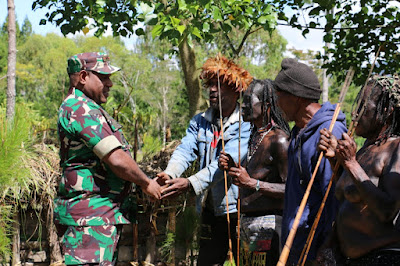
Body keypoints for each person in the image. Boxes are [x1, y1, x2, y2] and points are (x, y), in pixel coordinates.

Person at [56, 52, 162, 265]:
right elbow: (116, 159)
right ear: (84, 77)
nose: (110, 84)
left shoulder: (84, 107)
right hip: (90, 220)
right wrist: (147, 183)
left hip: (97, 218)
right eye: (103, 77)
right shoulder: (80, 109)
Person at [157, 54, 252, 265]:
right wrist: (170, 173)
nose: (212, 90)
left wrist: (190, 183)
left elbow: (224, 165)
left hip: (239, 210)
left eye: (219, 85)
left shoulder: (246, 123)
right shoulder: (200, 121)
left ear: (236, 90)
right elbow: (185, 149)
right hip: (210, 209)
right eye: (209, 84)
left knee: (245, 261)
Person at [318, 75, 400, 265]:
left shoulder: (396, 148)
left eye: (363, 106)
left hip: (383, 258)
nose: (355, 113)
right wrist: (335, 161)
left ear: (387, 111)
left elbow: (388, 211)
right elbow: (350, 198)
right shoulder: (365, 150)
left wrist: (351, 163)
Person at [273, 58, 348, 265]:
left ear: (296, 97)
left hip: (315, 249)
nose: (277, 104)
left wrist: (326, 247)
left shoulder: (328, 133)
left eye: (279, 97)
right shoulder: (298, 132)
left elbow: (333, 198)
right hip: (295, 245)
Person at [218, 78, 290, 265]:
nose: (242, 106)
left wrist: (251, 183)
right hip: (247, 224)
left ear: (266, 106)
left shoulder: (279, 140)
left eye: (249, 101)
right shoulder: (253, 136)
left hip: (269, 226)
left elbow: (289, 190)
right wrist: (233, 168)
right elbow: (255, 175)